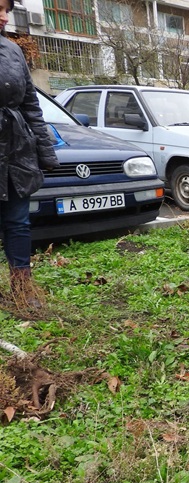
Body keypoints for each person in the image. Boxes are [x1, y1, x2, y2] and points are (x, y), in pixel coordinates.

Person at [1, 0, 59, 308]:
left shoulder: (13, 51)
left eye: (6, 9)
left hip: (15, 149)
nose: (3, 16)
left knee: (18, 222)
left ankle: (22, 289)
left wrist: (45, 151)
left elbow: (31, 105)